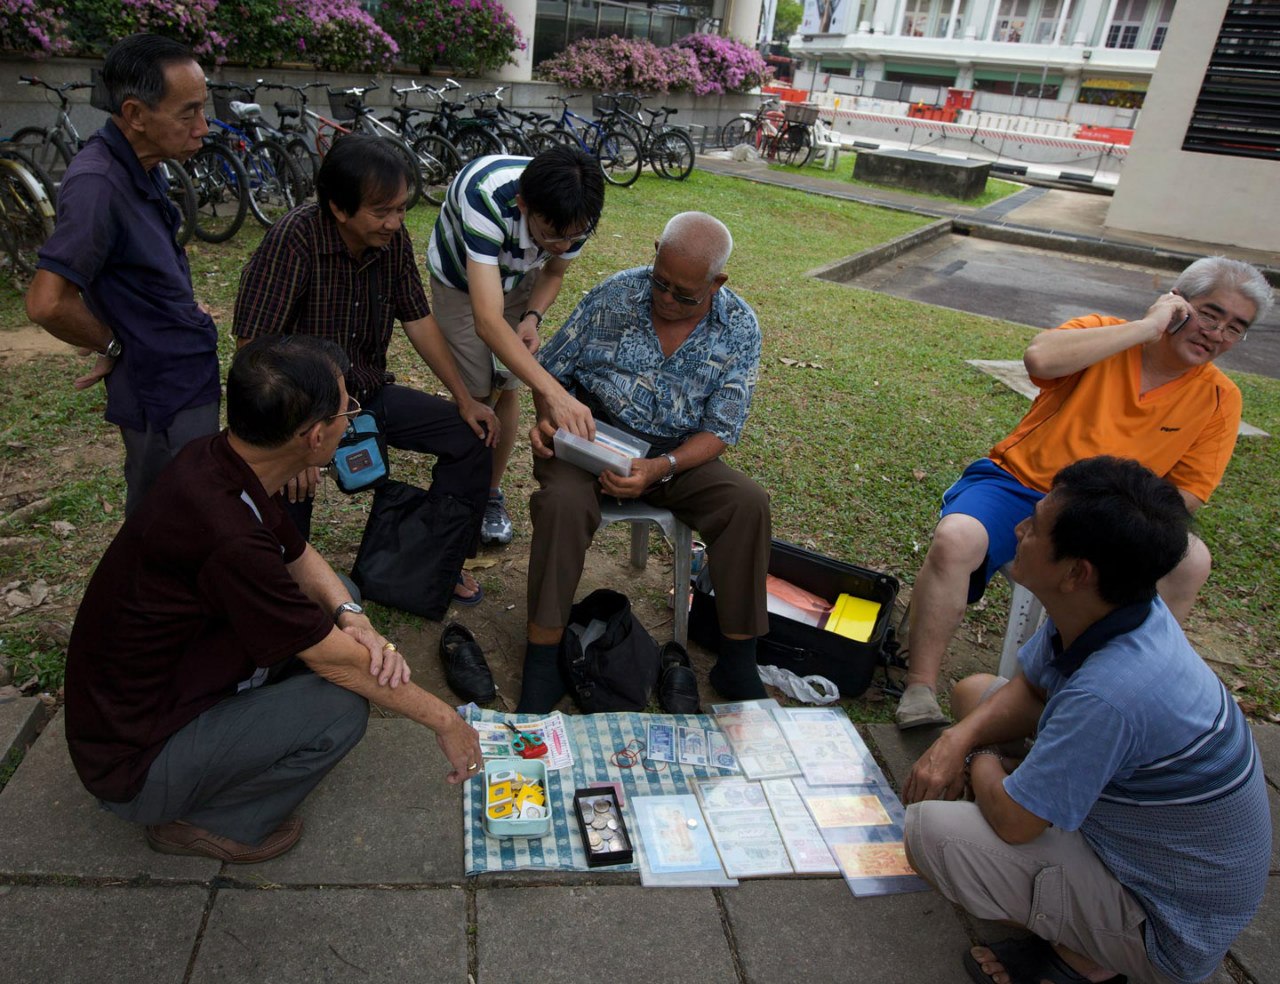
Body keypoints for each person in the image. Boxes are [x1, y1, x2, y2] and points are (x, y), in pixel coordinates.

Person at [64, 336, 485, 864]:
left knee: (342, 596)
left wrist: (351, 616)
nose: (351, 415)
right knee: (339, 708)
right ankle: (211, 823)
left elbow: (297, 552)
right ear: (314, 437)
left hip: (148, 696)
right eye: (346, 408)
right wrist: (447, 721)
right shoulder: (227, 537)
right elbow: (337, 664)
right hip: (136, 765)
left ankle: (248, 717)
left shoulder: (217, 458)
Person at [902, 455, 1270, 984]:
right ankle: (1079, 913)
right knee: (974, 696)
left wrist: (977, 755)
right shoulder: (1119, 607)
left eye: (1036, 528)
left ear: (1077, 572)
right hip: (1151, 842)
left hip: (1167, 926)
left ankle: (1088, 958)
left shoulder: (1113, 691)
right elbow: (1030, 687)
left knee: (933, 832)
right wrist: (956, 740)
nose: (1019, 528)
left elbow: (1015, 824)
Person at [896, 255, 1273, 728]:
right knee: (957, 537)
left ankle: (1118, 694)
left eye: (1236, 327)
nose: (1217, 334)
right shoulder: (1105, 333)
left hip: (1109, 519)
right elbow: (1040, 359)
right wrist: (1146, 328)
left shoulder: (1221, 398)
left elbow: (1187, 495)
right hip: (1020, 482)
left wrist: (1110, 520)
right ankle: (919, 684)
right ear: (1177, 303)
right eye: (1209, 314)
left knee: (1192, 559)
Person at [518, 212, 771, 712]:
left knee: (747, 503)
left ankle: (738, 659)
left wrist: (661, 468)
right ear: (655, 251)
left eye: (685, 294)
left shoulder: (740, 327)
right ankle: (542, 657)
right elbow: (550, 376)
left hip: (674, 455)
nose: (666, 298)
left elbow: (720, 429)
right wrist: (549, 422)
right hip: (592, 436)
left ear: (717, 282)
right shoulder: (615, 294)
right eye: (661, 282)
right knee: (563, 504)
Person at [233, 135, 491, 611]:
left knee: (469, 436)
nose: (395, 222)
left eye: (400, 208)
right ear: (338, 207)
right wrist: (288, 442)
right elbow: (254, 350)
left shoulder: (390, 242)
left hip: (365, 395)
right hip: (303, 413)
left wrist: (465, 397)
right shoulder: (294, 240)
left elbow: (418, 318)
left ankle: (436, 560)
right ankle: (288, 596)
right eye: (382, 211)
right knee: (285, 492)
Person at [25, 34, 219, 516]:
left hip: (180, 366)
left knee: (187, 499)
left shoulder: (146, 164)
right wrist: (111, 343)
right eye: (188, 113)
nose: (203, 127)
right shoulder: (99, 183)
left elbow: (132, 264)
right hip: (159, 382)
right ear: (135, 115)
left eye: (204, 109)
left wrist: (178, 304)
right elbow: (47, 301)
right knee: (174, 508)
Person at [425, 147, 605, 546]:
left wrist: (532, 317)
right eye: (553, 235)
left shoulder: (573, 211)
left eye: (574, 236)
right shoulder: (485, 195)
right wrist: (554, 393)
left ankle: (488, 493)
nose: (564, 244)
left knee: (508, 382)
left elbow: (554, 271)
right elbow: (487, 321)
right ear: (524, 205)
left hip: (517, 276)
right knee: (476, 391)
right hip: (461, 278)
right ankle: (459, 497)